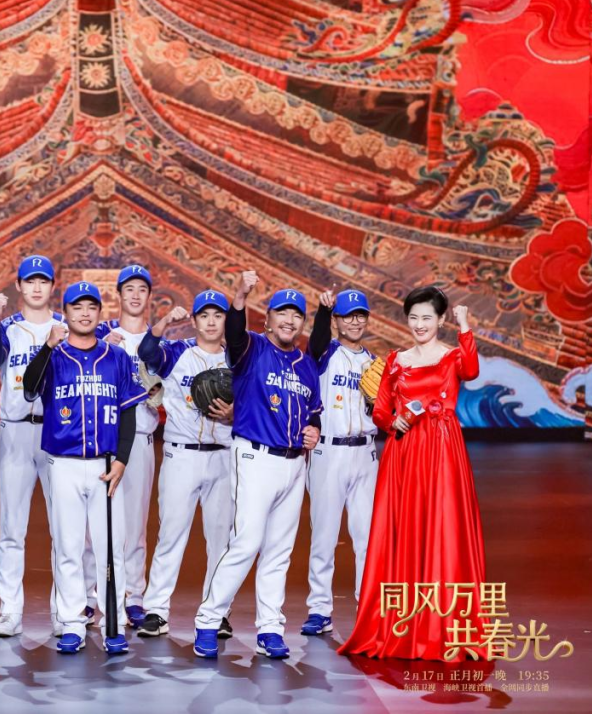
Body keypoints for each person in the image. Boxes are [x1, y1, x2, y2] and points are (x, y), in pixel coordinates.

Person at [339, 286, 487, 661]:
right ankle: (403, 625)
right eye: (414, 318)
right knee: (403, 531)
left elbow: (471, 371)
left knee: (443, 529)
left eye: (427, 318)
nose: (419, 325)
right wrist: (393, 422)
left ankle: (442, 626)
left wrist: (465, 326)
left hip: (443, 451)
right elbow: (380, 411)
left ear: (440, 320)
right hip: (404, 453)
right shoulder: (395, 361)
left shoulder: (452, 356)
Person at [193, 272, 322, 659]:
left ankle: (270, 629)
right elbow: (233, 333)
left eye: (296, 314)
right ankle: (208, 620)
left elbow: (314, 413)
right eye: (282, 312)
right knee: (246, 542)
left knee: (279, 550)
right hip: (254, 456)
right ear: (267, 319)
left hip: (294, 465)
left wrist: (314, 430)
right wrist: (240, 295)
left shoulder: (306, 365)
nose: (289, 319)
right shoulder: (251, 349)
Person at [23, 281, 149, 655]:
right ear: (65, 313)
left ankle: (114, 624)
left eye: (91, 306)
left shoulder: (117, 357)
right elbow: (29, 388)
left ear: (98, 312)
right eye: (77, 307)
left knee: (112, 549)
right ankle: (72, 623)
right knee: (68, 547)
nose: (84, 313)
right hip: (63, 462)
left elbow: (128, 412)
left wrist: (123, 459)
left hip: (105, 466)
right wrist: (47, 347)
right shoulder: (54, 355)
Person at [0, 256, 98, 637]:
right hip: (16, 431)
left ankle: (65, 611)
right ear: (18, 285)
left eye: (42, 281)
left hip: (57, 433)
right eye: (29, 281)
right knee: (11, 527)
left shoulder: (66, 327)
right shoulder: (8, 328)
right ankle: (10, 610)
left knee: (66, 528)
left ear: (52, 286)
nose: (35, 287)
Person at [136, 290, 235, 639]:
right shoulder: (177, 352)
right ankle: (156, 610)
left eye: (217, 315)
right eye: (204, 315)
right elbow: (147, 353)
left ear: (226, 321)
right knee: (171, 534)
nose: (211, 321)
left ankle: (216, 612)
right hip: (182, 454)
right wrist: (164, 322)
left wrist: (235, 413)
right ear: (193, 321)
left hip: (224, 455)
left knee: (221, 539)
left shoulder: (237, 358)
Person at [301, 289, 378, 637]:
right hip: (328, 452)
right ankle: (320, 609)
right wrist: (322, 311)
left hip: (365, 452)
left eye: (360, 315)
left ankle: (368, 607)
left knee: (366, 537)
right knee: (324, 535)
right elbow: (317, 339)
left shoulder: (374, 363)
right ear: (337, 321)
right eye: (348, 315)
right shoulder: (324, 353)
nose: (355, 321)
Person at [95, 264, 160, 629]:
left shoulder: (159, 342)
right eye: (129, 289)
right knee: (94, 524)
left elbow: (166, 393)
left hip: (140, 439)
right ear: (118, 294)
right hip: (102, 440)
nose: (135, 295)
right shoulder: (102, 333)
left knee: (135, 524)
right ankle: (89, 596)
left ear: (149, 296)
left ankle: (134, 596)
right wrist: (103, 349)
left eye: (142, 289)